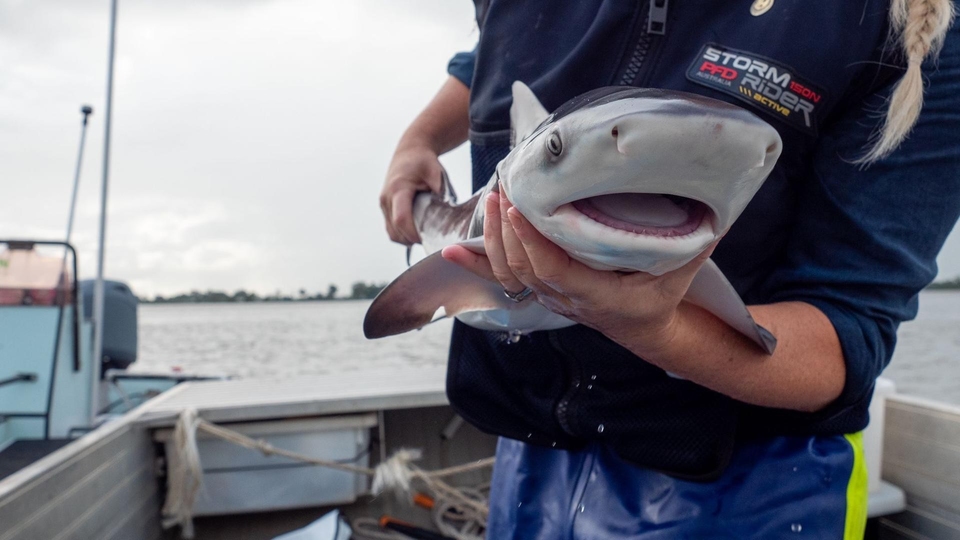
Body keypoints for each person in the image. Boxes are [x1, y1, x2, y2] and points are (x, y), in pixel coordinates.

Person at [380, 1, 960, 537]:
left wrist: (656, 328)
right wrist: (418, 141)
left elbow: (849, 331)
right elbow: (488, 50)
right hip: (533, 445)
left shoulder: (909, 30)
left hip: (748, 482)